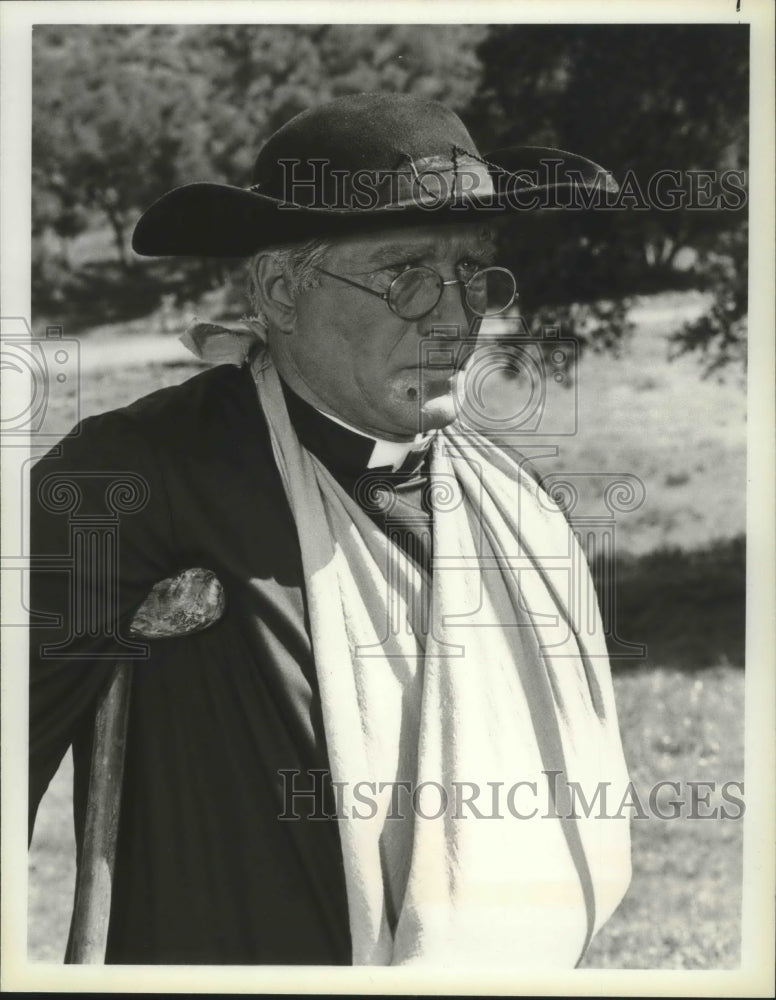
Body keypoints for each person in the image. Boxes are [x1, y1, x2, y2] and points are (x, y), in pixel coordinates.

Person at [29, 92, 631, 967]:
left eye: (472, 273)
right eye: (408, 276)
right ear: (279, 290)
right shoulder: (140, 479)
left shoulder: (513, 501)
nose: (457, 319)